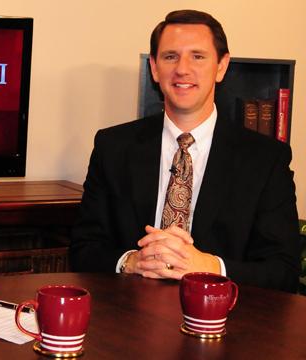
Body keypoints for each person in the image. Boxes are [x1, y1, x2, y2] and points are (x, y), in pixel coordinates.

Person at [69, 10, 300, 292]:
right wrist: (132, 261)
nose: (182, 69)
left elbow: (283, 271)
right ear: (154, 68)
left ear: (221, 66)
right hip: (128, 318)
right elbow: (83, 249)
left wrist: (209, 267)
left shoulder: (265, 160)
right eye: (170, 56)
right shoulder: (113, 146)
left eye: (198, 56)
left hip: (225, 322)